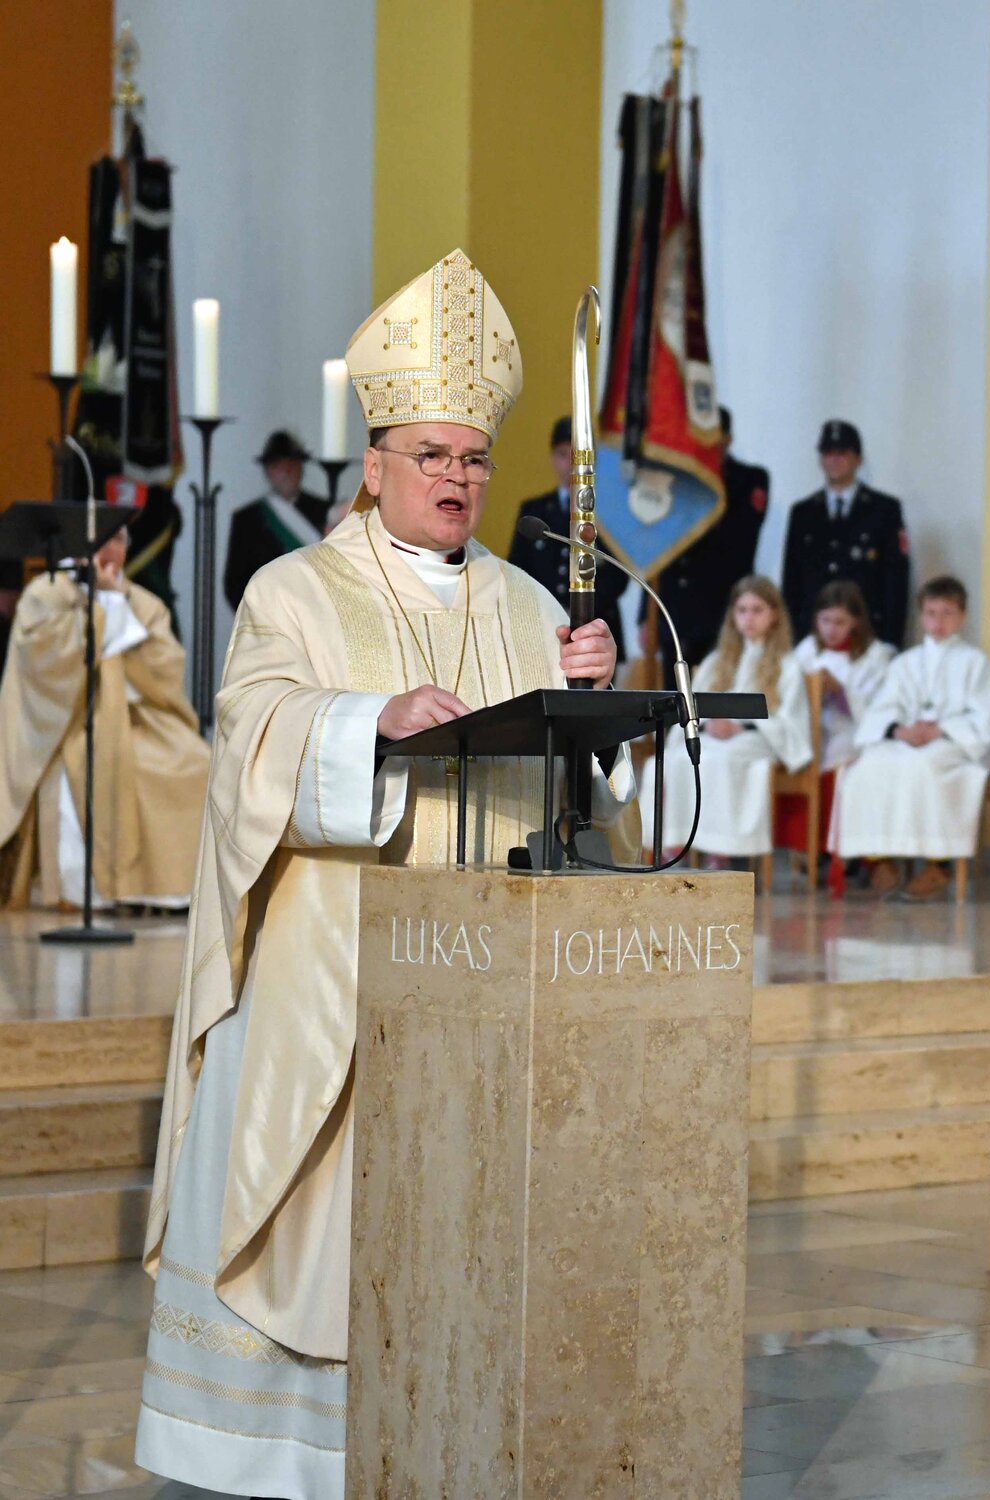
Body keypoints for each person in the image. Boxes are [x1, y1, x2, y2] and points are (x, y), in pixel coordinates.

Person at [134, 249, 632, 1500]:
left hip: (483, 991)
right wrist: (368, 720)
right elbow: (249, 736)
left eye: (475, 459)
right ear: (376, 463)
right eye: (433, 455)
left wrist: (584, 705)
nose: (458, 478)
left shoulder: (529, 601)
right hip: (331, 979)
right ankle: (282, 1459)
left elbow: (575, 808)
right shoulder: (290, 589)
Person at [0, 527, 207, 909]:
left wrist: (115, 602)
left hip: (139, 718)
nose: (108, 549)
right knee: (92, 767)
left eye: (119, 540)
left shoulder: (143, 602)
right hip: (70, 722)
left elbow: (166, 671)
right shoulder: (47, 595)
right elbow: (43, 666)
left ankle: (170, 892)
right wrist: (97, 616)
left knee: (197, 762)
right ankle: (95, 893)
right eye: (99, 539)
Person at [829, 575, 990, 901]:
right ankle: (881, 859)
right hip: (907, 741)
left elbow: (981, 717)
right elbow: (882, 710)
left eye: (947, 613)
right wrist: (899, 730)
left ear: (962, 615)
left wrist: (940, 730)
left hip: (951, 744)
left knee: (927, 765)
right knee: (870, 764)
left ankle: (939, 863)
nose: (938, 621)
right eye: (931, 613)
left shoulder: (975, 662)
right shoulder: (905, 662)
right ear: (921, 616)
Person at [642, 575, 811, 862]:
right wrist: (709, 724)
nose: (749, 618)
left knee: (721, 758)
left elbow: (790, 720)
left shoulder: (788, 665)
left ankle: (719, 849)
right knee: (674, 759)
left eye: (757, 610)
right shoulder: (717, 660)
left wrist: (741, 725)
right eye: (742, 610)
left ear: (774, 615)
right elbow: (691, 706)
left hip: (758, 740)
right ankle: (674, 839)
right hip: (713, 736)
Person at [650, 405, 771, 668]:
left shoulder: (749, 480)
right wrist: (644, 614)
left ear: (728, 438)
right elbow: (658, 549)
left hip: (723, 606)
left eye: (714, 435)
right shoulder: (677, 479)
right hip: (677, 607)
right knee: (674, 695)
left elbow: (740, 539)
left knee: (720, 695)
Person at [509, 415, 631, 661]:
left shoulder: (607, 513)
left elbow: (618, 575)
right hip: (544, 628)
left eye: (579, 456)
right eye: (564, 455)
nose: (571, 465)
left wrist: (580, 613)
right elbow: (518, 569)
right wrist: (551, 611)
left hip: (596, 631)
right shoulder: (535, 510)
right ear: (553, 458)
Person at [779, 420, 910, 648]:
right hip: (813, 636)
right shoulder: (803, 512)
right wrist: (792, 637)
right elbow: (791, 582)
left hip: (867, 635)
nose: (834, 460)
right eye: (828, 453)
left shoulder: (884, 509)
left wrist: (891, 641)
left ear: (858, 459)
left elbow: (896, 580)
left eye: (842, 453)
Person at [792, 579, 896, 772]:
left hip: (851, 730)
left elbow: (875, 708)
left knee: (841, 753)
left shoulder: (874, 655)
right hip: (812, 728)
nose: (831, 630)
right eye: (825, 620)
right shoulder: (808, 648)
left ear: (855, 622)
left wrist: (839, 692)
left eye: (840, 622)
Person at [223, 431, 332, 611]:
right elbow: (234, 585)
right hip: (266, 622)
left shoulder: (325, 512)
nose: (287, 471)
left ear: (301, 468)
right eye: (278, 465)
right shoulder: (247, 519)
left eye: (292, 464)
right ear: (267, 471)